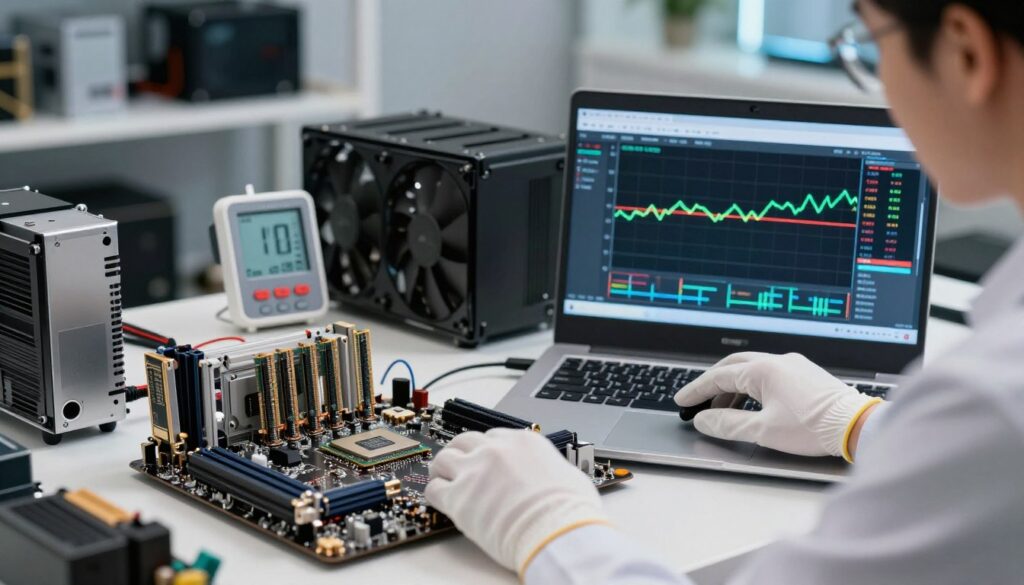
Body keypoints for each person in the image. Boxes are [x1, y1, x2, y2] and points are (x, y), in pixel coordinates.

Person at [423, 1, 1024, 583]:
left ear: (967, 51)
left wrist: (551, 530)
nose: (878, 80)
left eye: (870, 45)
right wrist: (859, 421)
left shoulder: (990, 401)